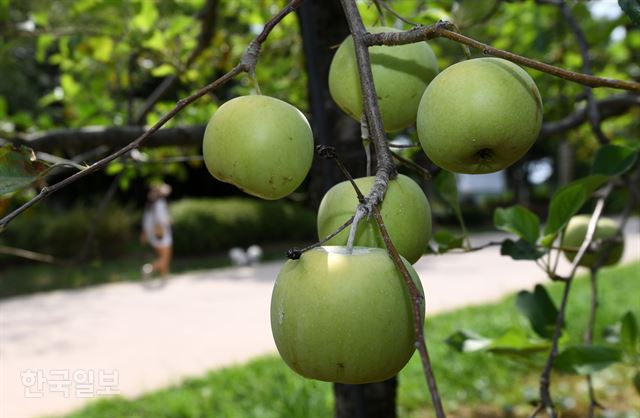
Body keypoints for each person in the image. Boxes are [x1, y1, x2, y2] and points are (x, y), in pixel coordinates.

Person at [141, 183, 173, 280]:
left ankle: (164, 276)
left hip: (153, 235)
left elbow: (146, 221)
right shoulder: (160, 203)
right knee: (165, 257)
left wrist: (145, 233)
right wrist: (170, 220)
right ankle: (148, 269)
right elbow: (163, 219)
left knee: (161, 256)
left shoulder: (150, 205)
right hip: (162, 234)